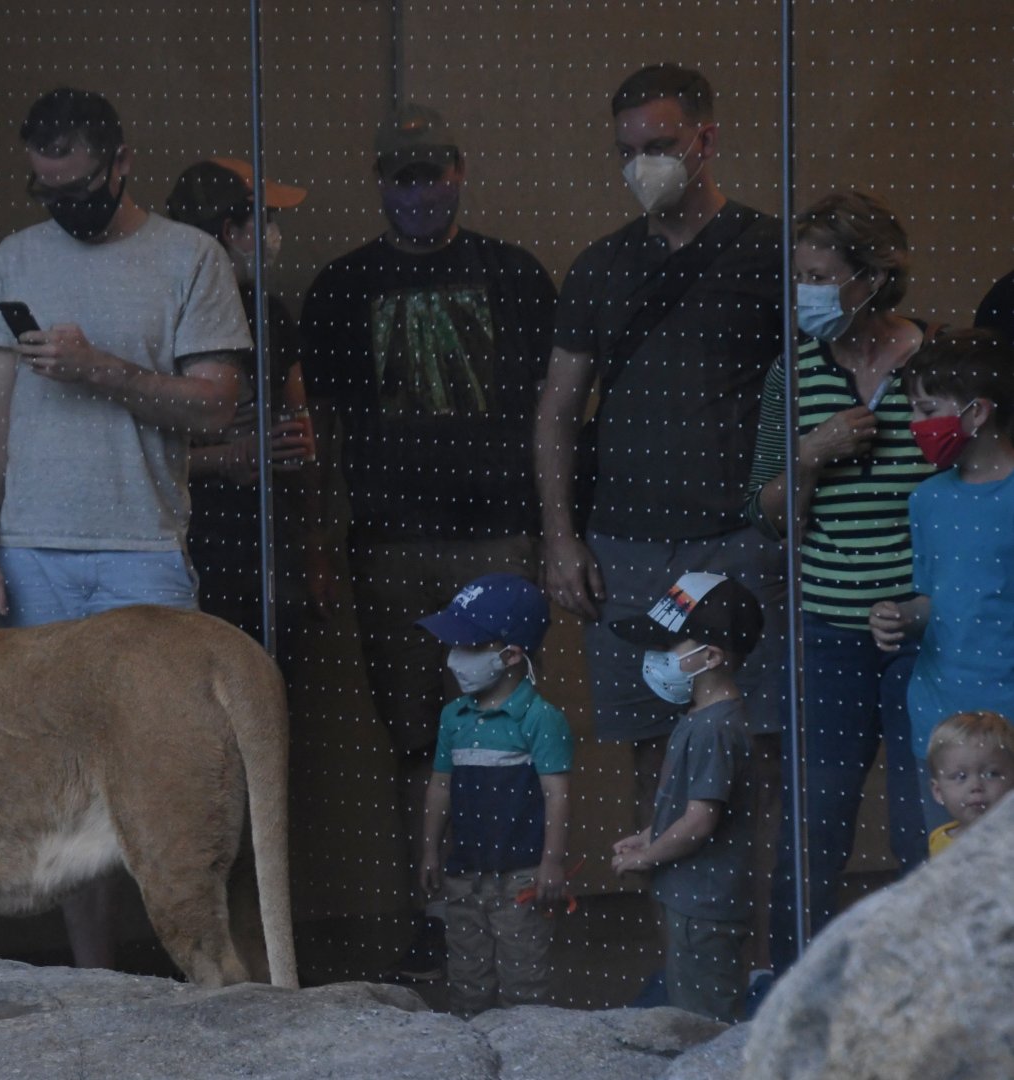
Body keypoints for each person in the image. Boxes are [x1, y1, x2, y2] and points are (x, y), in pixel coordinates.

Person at [0, 87, 251, 969]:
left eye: (79, 187)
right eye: (46, 190)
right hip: (32, 550)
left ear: (121, 165)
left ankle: (205, 967)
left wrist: (99, 369)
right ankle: (95, 980)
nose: (63, 206)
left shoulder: (188, 257)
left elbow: (218, 407)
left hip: (143, 552)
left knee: (172, 778)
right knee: (63, 786)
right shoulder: (17, 256)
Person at [299, 102, 558, 979]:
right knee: (416, 737)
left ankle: (510, 912)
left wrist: (555, 534)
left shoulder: (516, 275)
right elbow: (321, 431)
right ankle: (436, 915)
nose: (421, 188)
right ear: (380, 181)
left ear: (461, 171)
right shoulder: (342, 288)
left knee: (508, 731)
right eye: (403, 173)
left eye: (436, 168)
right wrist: (322, 540)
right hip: (390, 546)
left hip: (496, 539)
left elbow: (553, 416)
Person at [534, 65, 786, 832]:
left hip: (737, 542)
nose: (643, 164)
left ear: (706, 139)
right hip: (626, 549)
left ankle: (760, 951)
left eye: (663, 143)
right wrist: (561, 538)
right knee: (652, 754)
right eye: (627, 149)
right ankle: (674, 953)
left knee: (751, 752)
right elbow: (557, 413)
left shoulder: (769, 252)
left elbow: (816, 382)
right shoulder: (599, 268)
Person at [742, 191, 937, 973]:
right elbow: (767, 510)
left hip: (927, 632)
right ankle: (796, 989)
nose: (806, 295)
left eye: (821, 276)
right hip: (826, 630)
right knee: (813, 824)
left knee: (926, 819)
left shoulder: (938, 362)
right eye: (799, 278)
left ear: (871, 277)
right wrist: (813, 454)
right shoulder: (792, 373)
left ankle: (933, 993)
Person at [164, 157, 332, 640]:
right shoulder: (157, 316)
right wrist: (224, 458)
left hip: (267, 546)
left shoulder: (268, 314)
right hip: (187, 548)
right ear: (229, 230)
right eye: (264, 220)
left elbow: (303, 438)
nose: (272, 234)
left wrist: (313, 544)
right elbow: (126, 447)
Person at [870, 330, 1014, 825]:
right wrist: (900, 616)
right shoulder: (928, 499)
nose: (915, 424)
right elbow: (936, 599)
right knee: (950, 873)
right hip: (940, 726)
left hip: (1007, 729)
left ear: (977, 412)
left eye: (927, 410)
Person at [415, 575, 573, 1017]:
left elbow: (557, 795)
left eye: (467, 645)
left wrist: (552, 863)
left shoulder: (542, 719)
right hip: (464, 875)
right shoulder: (453, 716)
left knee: (525, 987)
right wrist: (430, 851)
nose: (452, 658)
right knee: (466, 983)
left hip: (523, 879)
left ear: (510, 654)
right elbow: (440, 785)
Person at [610, 572, 762, 1023]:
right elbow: (684, 804)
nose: (653, 658)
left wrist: (648, 856)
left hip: (706, 910)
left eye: (667, 647)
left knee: (704, 1026)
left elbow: (699, 821)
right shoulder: (701, 717)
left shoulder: (715, 728)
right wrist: (649, 833)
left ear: (710, 656)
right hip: (693, 904)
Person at [924, 710, 1014, 856]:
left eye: (991, 774)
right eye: (961, 776)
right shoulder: (939, 840)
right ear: (938, 791)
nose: (975, 786)